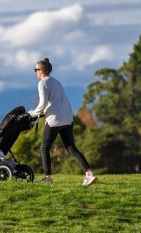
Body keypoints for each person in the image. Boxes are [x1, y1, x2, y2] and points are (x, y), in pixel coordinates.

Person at [28, 58, 98, 186]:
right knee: (71, 148)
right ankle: (89, 174)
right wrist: (44, 111)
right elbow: (56, 102)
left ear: (43, 70)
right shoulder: (56, 82)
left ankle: (48, 178)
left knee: (44, 148)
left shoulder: (42, 83)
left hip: (55, 121)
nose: (35, 72)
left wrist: (32, 113)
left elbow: (42, 103)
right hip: (67, 119)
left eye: (36, 69)